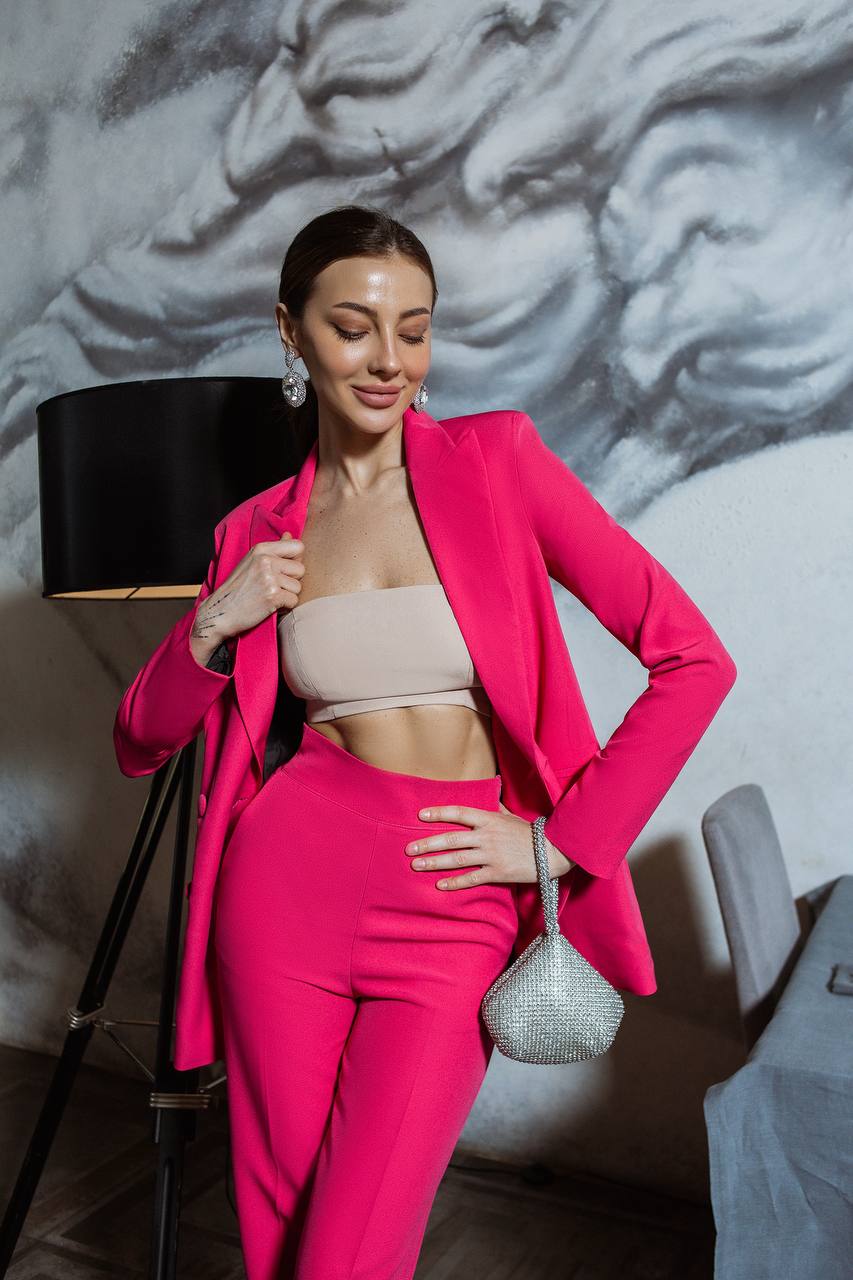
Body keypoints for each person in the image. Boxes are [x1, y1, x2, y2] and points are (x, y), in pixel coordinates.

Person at [115, 204, 737, 1280]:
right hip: (284, 893)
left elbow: (693, 658)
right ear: (290, 332)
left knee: (350, 1253)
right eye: (353, 325)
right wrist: (214, 621)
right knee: (277, 1235)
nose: (389, 358)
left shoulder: (496, 464)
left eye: (415, 327)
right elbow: (139, 739)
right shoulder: (256, 530)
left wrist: (554, 842)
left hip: (448, 902)